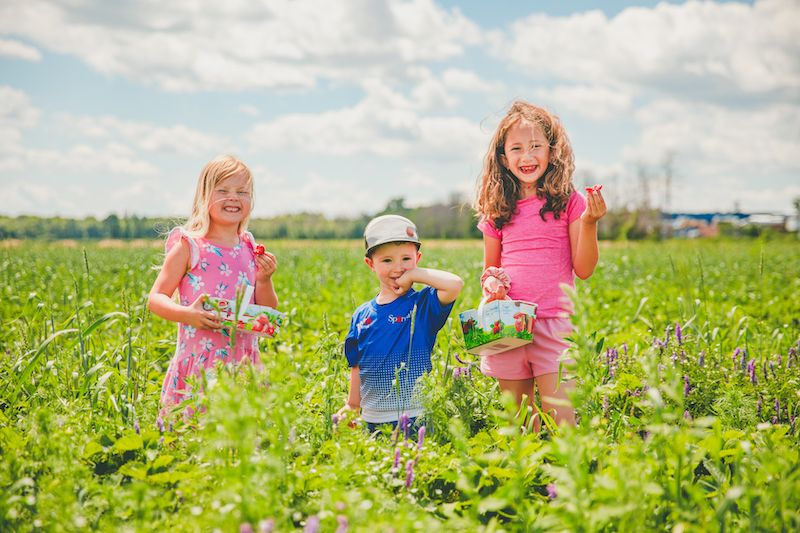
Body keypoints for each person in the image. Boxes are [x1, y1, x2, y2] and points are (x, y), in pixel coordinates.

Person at [473, 101, 607, 429]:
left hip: (554, 325)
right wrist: (491, 284)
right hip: (508, 321)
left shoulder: (569, 202)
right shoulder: (498, 209)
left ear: (552, 151)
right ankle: (534, 483)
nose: (527, 156)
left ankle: (567, 482)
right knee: (521, 429)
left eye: (536, 146)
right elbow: (490, 270)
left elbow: (584, 269)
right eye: (516, 148)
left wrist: (589, 222)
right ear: (503, 158)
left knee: (565, 427)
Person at [148, 154, 278, 414]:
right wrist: (187, 314)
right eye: (223, 190)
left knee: (242, 445)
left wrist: (264, 279)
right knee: (193, 442)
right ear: (204, 196)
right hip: (200, 363)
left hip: (243, 364)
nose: (234, 197)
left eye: (242, 191)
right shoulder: (190, 245)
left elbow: (268, 314)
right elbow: (156, 298)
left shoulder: (250, 247)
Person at [338, 215, 464, 432]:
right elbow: (356, 365)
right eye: (387, 260)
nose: (398, 268)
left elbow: (454, 284)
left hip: (417, 418)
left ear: (418, 259)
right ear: (371, 264)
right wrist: (352, 404)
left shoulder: (422, 305)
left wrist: (414, 274)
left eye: (406, 259)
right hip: (372, 418)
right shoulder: (362, 314)